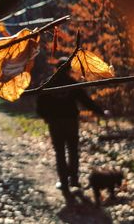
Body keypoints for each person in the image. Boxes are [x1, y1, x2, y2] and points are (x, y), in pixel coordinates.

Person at [36, 57, 108, 203]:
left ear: (56, 68)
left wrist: (46, 117)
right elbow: (86, 101)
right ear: (69, 69)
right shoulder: (72, 84)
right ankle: (74, 180)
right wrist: (101, 112)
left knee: (60, 152)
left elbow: (39, 105)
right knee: (73, 151)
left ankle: (63, 182)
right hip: (70, 122)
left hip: (55, 123)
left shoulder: (48, 83)